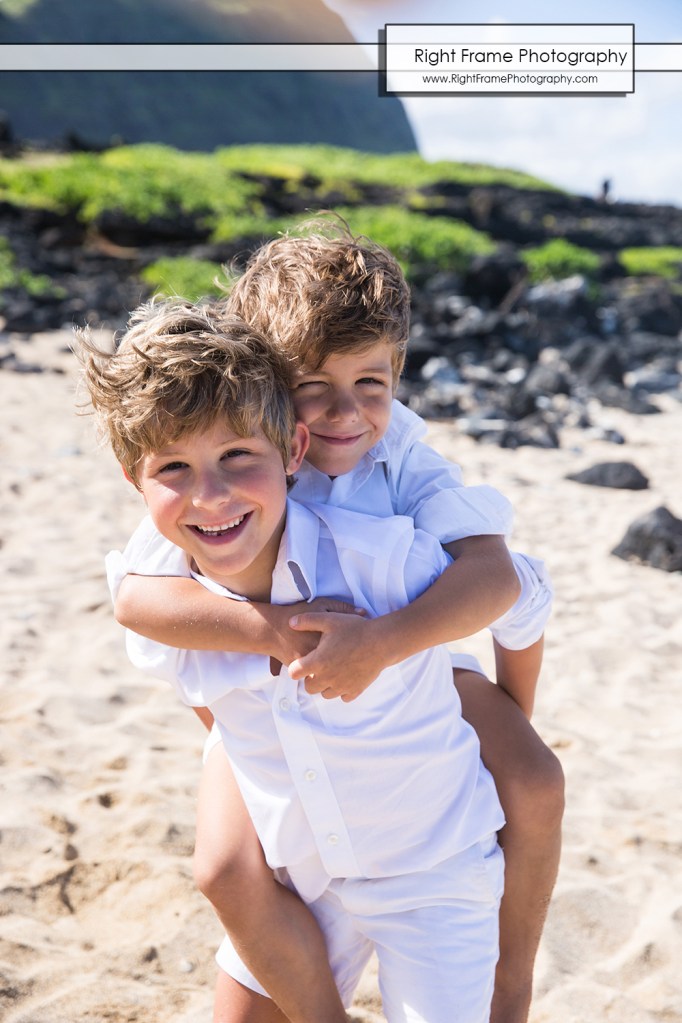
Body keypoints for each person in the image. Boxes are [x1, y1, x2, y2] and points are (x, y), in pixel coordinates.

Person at [113, 222, 563, 1023]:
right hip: (266, 679)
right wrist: (269, 639)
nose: (344, 413)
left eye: (372, 384)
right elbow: (140, 600)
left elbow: (501, 581)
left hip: (415, 654)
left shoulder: (403, 464)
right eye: (311, 385)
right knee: (222, 865)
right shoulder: (225, 466)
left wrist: (412, 654)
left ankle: (510, 987)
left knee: (531, 779)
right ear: (269, 387)